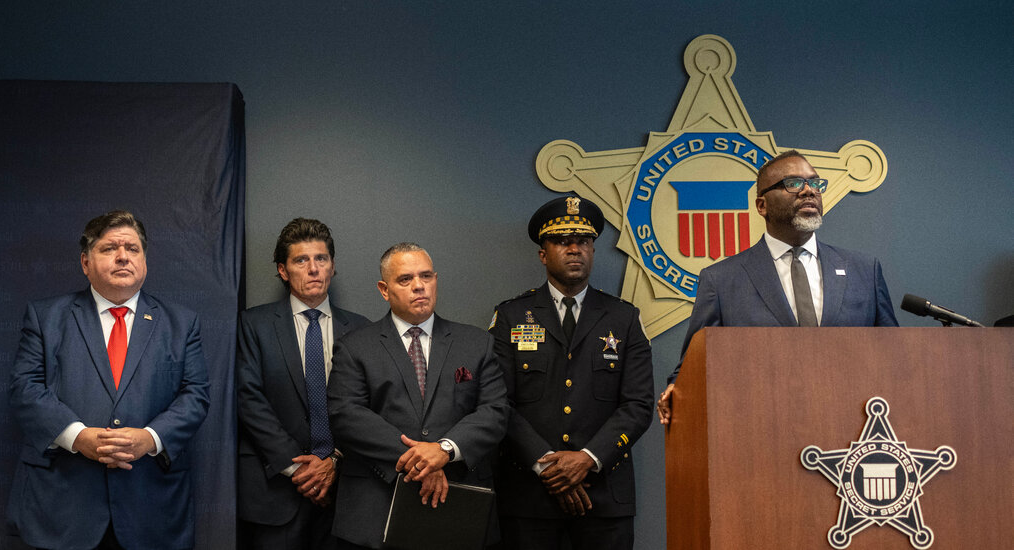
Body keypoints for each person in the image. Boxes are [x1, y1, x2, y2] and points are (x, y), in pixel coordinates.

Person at [7, 210, 210, 550]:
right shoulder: (46, 317)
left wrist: (150, 438)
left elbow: (196, 395)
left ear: (145, 261)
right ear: (85, 262)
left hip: (151, 506)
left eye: (132, 248)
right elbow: (25, 388)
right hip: (63, 508)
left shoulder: (181, 323)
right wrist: (77, 436)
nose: (122, 257)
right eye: (109, 248)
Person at [657, 150, 899, 424]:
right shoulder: (722, 279)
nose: (809, 191)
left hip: (852, 426)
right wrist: (677, 387)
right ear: (762, 205)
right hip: (762, 427)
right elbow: (693, 363)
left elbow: (893, 354)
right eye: (793, 183)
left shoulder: (864, 270)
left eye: (815, 183)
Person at [488, 196, 655, 550]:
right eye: (562, 241)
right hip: (529, 498)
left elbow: (638, 405)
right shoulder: (511, 317)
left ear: (593, 250)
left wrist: (587, 460)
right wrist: (547, 465)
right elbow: (497, 402)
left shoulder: (624, 318)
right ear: (543, 254)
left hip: (605, 496)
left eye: (583, 241)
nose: (574, 249)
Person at [326, 242, 508, 550]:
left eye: (426, 276)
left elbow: (495, 411)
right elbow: (346, 414)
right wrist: (421, 460)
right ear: (384, 289)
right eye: (405, 279)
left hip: (459, 503)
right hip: (375, 508)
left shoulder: (476, 343)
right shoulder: (355, 346)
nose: (419, 286)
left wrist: (444, 450)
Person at [236, 218, 371, 550]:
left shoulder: (362, 329)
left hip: (345, 491)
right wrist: (297, 468)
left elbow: (369, 407)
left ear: (333, 267)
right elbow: (248, 399)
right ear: (283, 270)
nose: (313, 269)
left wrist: (334, 460)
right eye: (301, 260)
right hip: (276, 492)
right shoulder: (253, 324)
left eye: (321, 259)